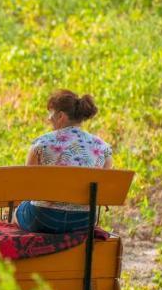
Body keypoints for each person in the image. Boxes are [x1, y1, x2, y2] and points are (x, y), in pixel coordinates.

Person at [15, 89, 113, 234]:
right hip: (83, 221)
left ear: (60, 116)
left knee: (20, 209)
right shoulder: (103, 148)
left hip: (44, 218)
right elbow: (101, 191)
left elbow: (28, 186)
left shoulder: (40, 144)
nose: (49, 118)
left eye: (51, 113)